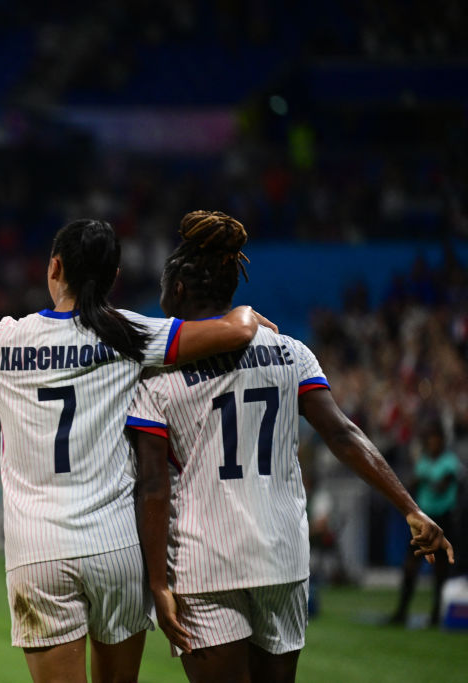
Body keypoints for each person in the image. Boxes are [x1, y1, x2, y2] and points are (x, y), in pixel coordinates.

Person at [0, 218, 274, 683]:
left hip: (39, 552)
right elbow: (237, 331)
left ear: (54, 266)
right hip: (116, 548)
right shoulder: (131, 334)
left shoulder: (4, 340)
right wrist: (245, 317)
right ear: (114, 276)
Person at [127, 210, 455, 683]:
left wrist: (157, 582)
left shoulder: (160, 376)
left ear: (177, 291)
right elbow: (343, 434)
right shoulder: (290, 351)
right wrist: (410, 508)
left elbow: (154, 485)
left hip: (205, 562)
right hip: (282, 556)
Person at [391, 419, 461, 627]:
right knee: (410, 566)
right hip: (423, 520)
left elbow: (442, 486)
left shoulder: (448, 462)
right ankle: (402, 611)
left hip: (442, 519)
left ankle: (435, 615)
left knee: (440, 569)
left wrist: (423, 477)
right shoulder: (423, 461)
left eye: (433, 439)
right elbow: (411, 484)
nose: (431, 443)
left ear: (441, 440)